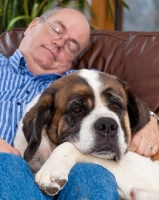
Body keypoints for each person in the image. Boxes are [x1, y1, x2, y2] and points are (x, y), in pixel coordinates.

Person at [0, 6, 159, 200]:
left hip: (74, 180)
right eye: (57, 30)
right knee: (6, 165)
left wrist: (150, 119)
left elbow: (126, 105)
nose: (60, 42)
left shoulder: (87, 82)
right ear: (32, 25)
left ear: (74, 60)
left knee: (92, 174)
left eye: (72, 46)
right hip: (11, 173)